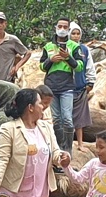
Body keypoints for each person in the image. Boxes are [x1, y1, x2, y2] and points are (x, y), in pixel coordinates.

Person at [40, 17, 84, 157]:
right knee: (57, 119)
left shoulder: (74, 46)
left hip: (67, 87)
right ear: (56, 27)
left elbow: (79, 67)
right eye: (60, 26)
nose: (62, 29)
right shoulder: (48, 46)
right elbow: (41, 66)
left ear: (69, 30)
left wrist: (68, 58)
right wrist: (50, 60)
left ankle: (68, 149)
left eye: (65, 27)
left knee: (67, 118)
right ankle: (59, 148)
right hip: (51, 87)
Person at [69, 22, 95, 152]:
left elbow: (89, 66)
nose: (75, 36)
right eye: (73, 33)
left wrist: (90, 82)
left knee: (80, 118)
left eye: (78, 33)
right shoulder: (65, 48)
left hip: (80, 87)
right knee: (66, 117)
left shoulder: (84, 49)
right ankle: (66, 143)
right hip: (66, 88)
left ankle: (80, 143)